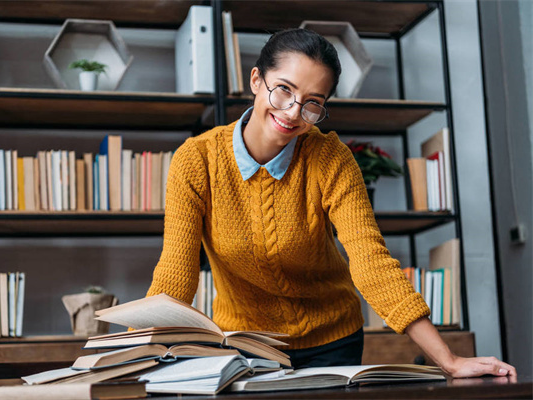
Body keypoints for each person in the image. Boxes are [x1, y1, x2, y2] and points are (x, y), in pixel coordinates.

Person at [146, 28, 516, 379]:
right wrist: (128, 358)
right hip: (246, 346)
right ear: (256, 80)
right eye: (283, 91)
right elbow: (175, 276)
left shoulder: (330, 158)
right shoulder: (196, 160)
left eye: (312, 104)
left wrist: (448, 360)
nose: (293, 112)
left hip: (332, 341)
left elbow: (372, 263)